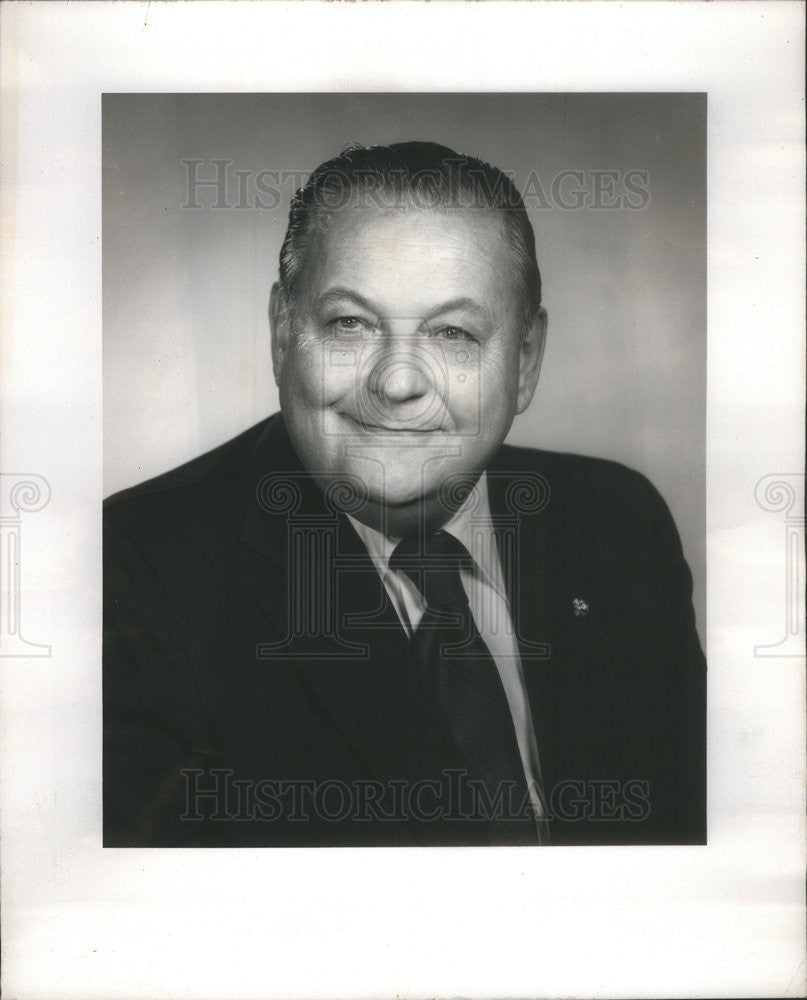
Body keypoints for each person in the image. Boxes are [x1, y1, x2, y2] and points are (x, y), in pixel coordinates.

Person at [103, 141, 706, 847]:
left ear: (524, 361)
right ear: (281, 334)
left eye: (452, 333)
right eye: (349, 324)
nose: (396, 383)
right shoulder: (137, 568)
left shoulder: (616, 520)